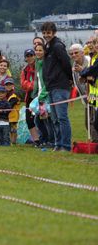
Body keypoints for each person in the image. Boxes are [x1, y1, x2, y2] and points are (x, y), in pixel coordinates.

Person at [42, 22, 73, 152]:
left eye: (48, 33)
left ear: (54, 33)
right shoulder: (47, 47)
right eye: (44, 33)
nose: (46, 35)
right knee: (54, 118)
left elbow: (66, 63)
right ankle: (58, 143)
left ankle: (65, 145)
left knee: (62, 117)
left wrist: (69, 78)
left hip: (60, 86)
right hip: (51, 86)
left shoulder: (58, 46)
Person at [32, 42, 55, 148]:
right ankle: (45, 139)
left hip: (45, 96)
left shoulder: (46, 63)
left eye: (40, 50)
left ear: (45, 52)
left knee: (47, 119)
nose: (38, 52)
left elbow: (48, 81)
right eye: (36, 50)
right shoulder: (38, 63)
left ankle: (51, 140)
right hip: (40, 95)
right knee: (39, 118)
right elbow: (38, 81)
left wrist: (43, 94)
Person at [20, 48, 40, 145]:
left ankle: (46, 137)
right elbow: (23, 84)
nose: (30, 58)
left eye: (31, 55)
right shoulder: (25, 70)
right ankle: (36, 140)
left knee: (42, 118)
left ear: (34, 56)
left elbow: (41, 82)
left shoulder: (40, 66)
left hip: (40, 96)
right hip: (30, 97)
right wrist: (32, 85)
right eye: (27, 56)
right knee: (29, 120)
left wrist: (31, 85)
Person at [4, 77, 20, 145]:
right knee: (9, 130)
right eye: (7, 85)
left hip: (14, 116)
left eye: (10, 84)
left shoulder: (14, 95)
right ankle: (10, 141)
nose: (8, 86)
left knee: (13, 130)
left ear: (13, 85)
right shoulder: (5, 95)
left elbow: (10, 105)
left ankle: (13, 141)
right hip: (8, 116)